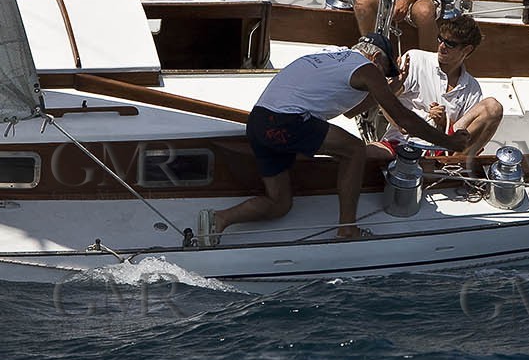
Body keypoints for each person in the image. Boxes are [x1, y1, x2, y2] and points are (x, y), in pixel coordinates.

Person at [200, 33, 469, 244]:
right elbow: (406, 120)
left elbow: (351, 111)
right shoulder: (367, 68)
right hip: (286, 122)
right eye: (385, 72)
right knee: (354, 150)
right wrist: (451, 143)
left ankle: (220, 219)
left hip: (259, 122)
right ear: (377, 60)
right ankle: (347, 229)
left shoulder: (326, 57)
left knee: (279, 203)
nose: (382, 78)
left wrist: (389, 90)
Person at [369, 15, 502, 162]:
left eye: (450, 43)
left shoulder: (472, 87)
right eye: (440, 39)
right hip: (401, 144)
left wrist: (444, 122)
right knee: (362, 153)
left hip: (442, 152)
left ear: (467, 49)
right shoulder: (415, 60)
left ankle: (454, 167)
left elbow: (465, 135)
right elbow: (384, 100)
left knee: (492, 107)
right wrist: (394, 85)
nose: (442, 46)